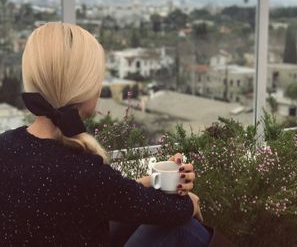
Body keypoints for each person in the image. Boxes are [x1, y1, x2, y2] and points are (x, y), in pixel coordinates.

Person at [0, 22, 210, 246]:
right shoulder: (82, 170)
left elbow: (104, 195)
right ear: (84, 86)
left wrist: (154, 181)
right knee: (183, 229)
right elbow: (173, 211)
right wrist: (191, 202)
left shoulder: (6, 145)